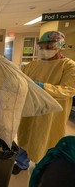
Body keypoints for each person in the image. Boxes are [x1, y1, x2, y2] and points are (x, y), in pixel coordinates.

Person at [12, 30, 75, 175]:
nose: (44, 50)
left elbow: (69, 90)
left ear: (59, 46)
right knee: (26, 135)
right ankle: (22, 163)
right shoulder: (33, 64)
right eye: (42, 47)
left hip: (50, 114)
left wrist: (43, 87)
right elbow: (21, 79)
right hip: (31, 109)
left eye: (49, 47)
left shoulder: (68, 66)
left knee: (45, 140)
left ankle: (43, 168)